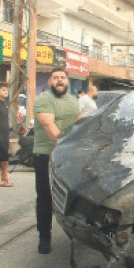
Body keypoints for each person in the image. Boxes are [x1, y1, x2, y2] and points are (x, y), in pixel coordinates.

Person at [33, 68, 79, 254]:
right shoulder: (44, 99)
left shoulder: (73, 100)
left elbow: (78, 122)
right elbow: (49, 126)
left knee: (72, 197)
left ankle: (74, 232)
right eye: (56, 78)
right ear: (49, 82)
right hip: (46, 155)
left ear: (67, 81)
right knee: (45, 197)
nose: (60, 80)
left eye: (63, 77)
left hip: (69, 156)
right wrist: (65, 146)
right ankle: (44, 237)